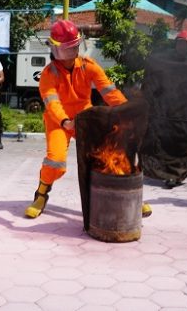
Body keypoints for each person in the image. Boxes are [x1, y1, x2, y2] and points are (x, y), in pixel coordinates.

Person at [25, 20, 152, 219]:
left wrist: (127, 111)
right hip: (58, 122)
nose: (74, 51)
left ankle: (129, 194)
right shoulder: (49, 75)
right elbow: (52, 104)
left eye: (75, 46)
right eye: (69, 48)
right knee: (56, 161)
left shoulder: (88, 66)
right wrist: (66, 122)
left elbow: (109, 92)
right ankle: (41, 194)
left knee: (110, 151)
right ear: (57, 50)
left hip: (86, 117)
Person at [140, 30, 187, 189]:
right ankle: (161, 172)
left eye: (185, 44)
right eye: (180, 43)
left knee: (181, 148)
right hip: (164, 114)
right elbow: (153, 84)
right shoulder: (163, 63)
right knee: (162, 144)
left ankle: (177, 175)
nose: (182, 47)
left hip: (185, 117)